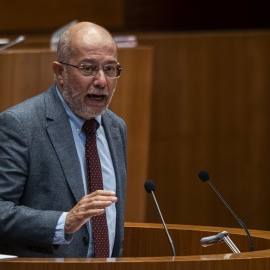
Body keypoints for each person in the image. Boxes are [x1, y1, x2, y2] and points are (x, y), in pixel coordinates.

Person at [0, 22, 127, 258]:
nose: (101, 81)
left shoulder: (116, 127)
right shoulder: (21, 125)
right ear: (60, 72)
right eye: (88, 69)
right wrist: (62, 222)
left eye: (109, 69)